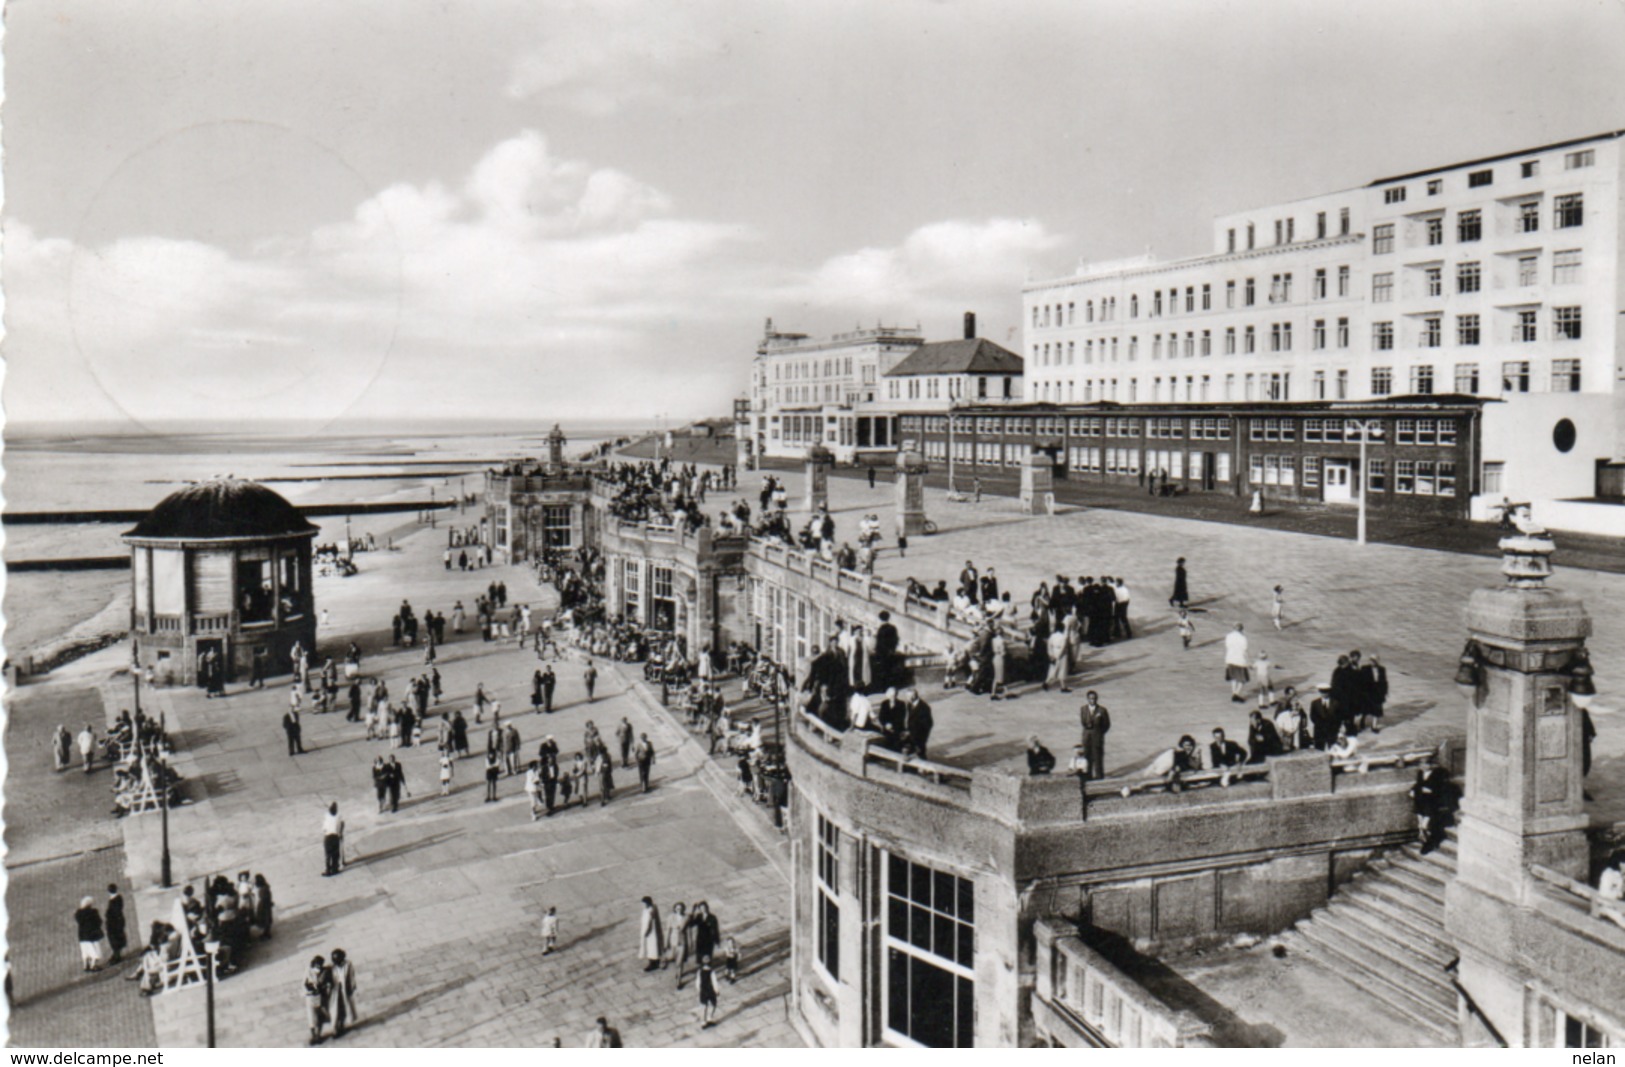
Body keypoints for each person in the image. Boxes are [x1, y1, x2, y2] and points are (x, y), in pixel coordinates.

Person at [1079, 692, 1111, 780]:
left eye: (1094, 698)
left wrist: (1100, 732)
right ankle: (1087, 775)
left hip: (1097, 736)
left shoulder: (1102, 710)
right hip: (1087, 736)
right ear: (1088, 699)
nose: (1092, 700)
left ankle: (1099, 775)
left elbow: (1106, 724)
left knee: (1097, 756)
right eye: (1090, 698)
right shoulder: (1083, 709)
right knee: (1087, 756)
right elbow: (1083, 721)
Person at [328, 948, 358, 1038]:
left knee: (344, 1008)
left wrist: (352, 987)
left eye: (338, 959)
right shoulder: (330, 967)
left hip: (344, 990)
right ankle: (335, 1029)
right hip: (334, 992)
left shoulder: (348, 964)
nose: (336, 962)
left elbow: (351, 976)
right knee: (334, 1010)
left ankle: (341, 1025)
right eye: (334, 960)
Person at [304, 955, 333, 1045]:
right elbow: (304, 984)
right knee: (311, 1018)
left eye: (320, 965)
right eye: (317, 965)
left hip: (322, 997)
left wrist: (326, 988)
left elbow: (330, 983)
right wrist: (310, 988)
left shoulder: (325, 972)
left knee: (321, 1017)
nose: (319, 967)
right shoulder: (308, 972)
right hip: (311, 998)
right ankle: (313, 1035)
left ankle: (318, 1035)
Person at [74, 896, 107, 972]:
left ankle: (86, 965)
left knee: (85, 951)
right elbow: (99, 921)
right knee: (95, 952)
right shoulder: (94, 912)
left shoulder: (78, 913)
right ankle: (93, 966)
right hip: (92, 935)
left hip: (82, 936)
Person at [1224, 623, 1250, 703]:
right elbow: (1245, 649)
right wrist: (1248, 660)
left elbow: (1227, 646)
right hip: (1240, 660)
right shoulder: (1243, 638)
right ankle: (1236, 694)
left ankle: (1234, 692)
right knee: (1243, 679)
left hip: (1230, 658)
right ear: (1241, 629)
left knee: (1233, 678)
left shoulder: (1228, 636)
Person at [639, 897, 664, 972]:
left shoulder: (650, 911)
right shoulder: (653, 907)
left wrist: (646, 932)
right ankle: (655, 961)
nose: (643, 906)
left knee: (651, 948)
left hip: (650, 933)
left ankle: (653, 964)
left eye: (644, 904)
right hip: (653, 931)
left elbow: (649, 923)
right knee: (654, 947)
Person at [105, 884, 128, 963]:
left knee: (114, 938)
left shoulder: (114, 900)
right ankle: (116, 953)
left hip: (114, 923)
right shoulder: (118, 898)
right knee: (117, 937)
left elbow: (114, 912)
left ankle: (117, 955)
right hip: (117, 921)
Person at [697, 953, 720, 1029]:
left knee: (704, 1006)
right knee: (713, 1004)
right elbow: (714, 982)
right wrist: (716, 990)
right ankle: (710, 1017)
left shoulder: (699, 971)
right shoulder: (712, 972)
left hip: (703, 990)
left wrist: (699, 989)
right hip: (710, 990)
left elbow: (698, 981)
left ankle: (703, 1022)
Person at [322, 803, 345, 876]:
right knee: (335, 854)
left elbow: (324, 828)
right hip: (335, 836)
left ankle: (328, 870)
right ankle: (335, 869)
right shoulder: (339, 815)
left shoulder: (326, 815)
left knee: (328, 854)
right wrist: (341, 833)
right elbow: (343, 823)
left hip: (328, 836)